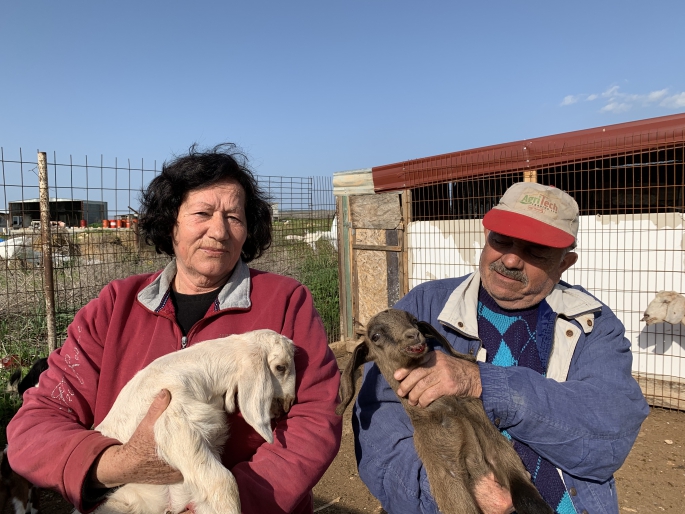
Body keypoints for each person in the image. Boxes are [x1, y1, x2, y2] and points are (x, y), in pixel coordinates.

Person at [7, 143, 342, 514]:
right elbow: (34, 426)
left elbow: (314, 420)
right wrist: (120, 463)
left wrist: (225, 502)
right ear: (171, 223)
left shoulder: (284, 302)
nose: (219, 231)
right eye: (203, 213)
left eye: (234, 217)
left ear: (249, 229)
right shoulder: (113, 308)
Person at [353, 182, 649, 514]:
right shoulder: (423, 308)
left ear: (565, 264)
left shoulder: (591, 324)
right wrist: (459, 489)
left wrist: (484, 382)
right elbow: (381, 442)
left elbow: (609, 434)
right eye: (501, 240)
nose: (510, 259)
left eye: (535, 250)